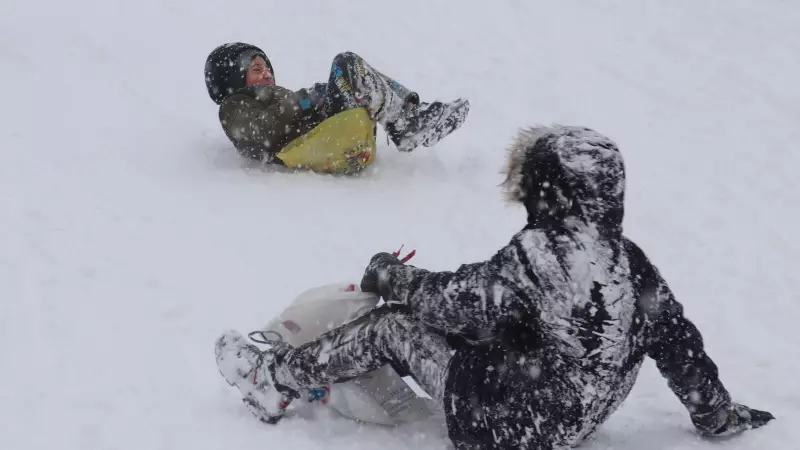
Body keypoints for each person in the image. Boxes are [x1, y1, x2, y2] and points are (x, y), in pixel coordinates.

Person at [215, 125, 774, 449]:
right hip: (574, 422)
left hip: (506, 426)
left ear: (548, 188)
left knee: (394, 325)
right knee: (494, 334)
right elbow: (680, 345)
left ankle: (273, 379)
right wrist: (716, 414)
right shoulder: (631, 262)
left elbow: (450, 303)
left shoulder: (539, 258)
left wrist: (393, 276)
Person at [204, 43, 469, 165]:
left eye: (267, 68)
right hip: (319, 140)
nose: (267, 74)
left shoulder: (274, 95)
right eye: (257, 69)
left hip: (329, 134)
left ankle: (411, 113)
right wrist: (304, 100)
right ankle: (405, 125)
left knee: (352, 71)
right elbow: (258, 135)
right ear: (233, 78)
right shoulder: (233, 105)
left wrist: (318, 96)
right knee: (346, 63)